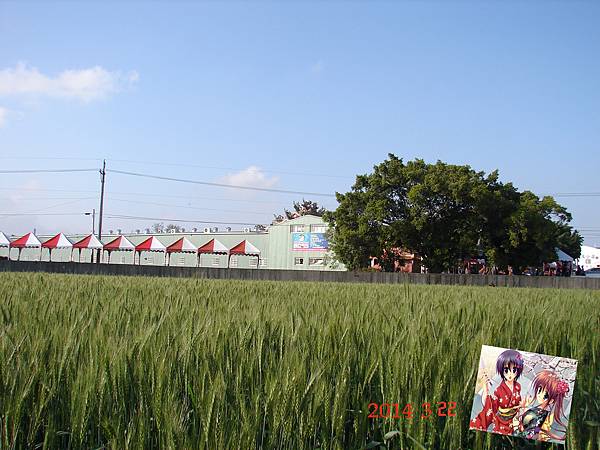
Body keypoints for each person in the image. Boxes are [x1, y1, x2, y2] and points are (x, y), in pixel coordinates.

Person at [470, 350, 524, 435]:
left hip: (515, 421)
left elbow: (518, 402)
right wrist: (485, 388)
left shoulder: (518, 386)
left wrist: (522, 406)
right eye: (506, 370)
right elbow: (489, 405)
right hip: (501, 424)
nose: (510, 374)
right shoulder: (499, 390)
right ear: (502, 370)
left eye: (514, 370)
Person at [514, 370, 570, 442]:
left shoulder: (540, 415)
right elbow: (534, 428)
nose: (540, 395)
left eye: (546, 395)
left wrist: (515, 425)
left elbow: (531, 434)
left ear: (551, 400)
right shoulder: (540, 412)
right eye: (539, 390)